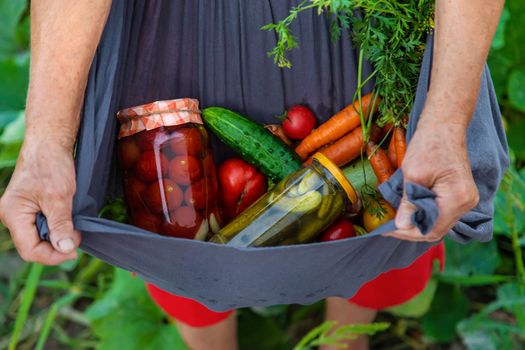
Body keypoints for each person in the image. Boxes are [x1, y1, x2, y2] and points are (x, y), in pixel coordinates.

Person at [0, 0, 504, 349]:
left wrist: (445, 121)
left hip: (365, 30)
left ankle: (346, 342)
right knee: (175, 235)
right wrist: (45, 140)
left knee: (396, 221)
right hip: (177, 36)